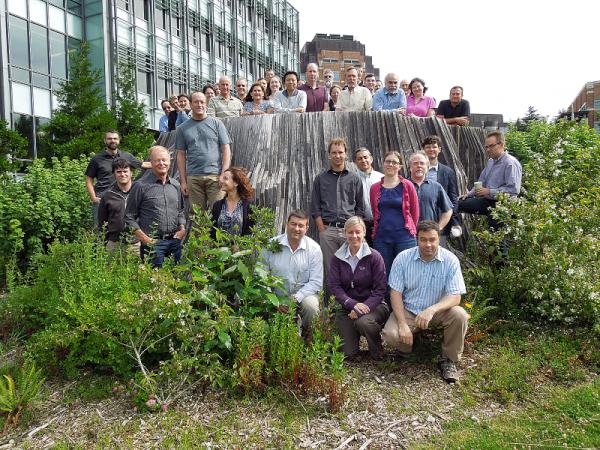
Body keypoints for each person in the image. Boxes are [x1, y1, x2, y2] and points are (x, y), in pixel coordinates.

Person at [383, 221, 468, 383]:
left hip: (438, 312)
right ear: (417, 239)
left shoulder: (450, 261)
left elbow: (455, 297)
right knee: (391, 335)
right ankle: (408, 349)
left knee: (460, 315)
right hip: (409, 310)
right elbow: (395, 294)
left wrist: (432, 310)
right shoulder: (403, 259)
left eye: (432, 239)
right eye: (423, 239)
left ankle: (448, 360)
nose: (428, 244)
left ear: (438, 239)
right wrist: (402, 324)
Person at [328, 216, 389, 360]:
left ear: (364, 233)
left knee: (364, 322)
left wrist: (362, 309)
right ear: (344, 234)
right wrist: (352, 304)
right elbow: (334, 286)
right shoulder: (337, 258)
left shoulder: (375, 257)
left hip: (374, 305)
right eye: (350, 232)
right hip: (347, 306)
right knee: (348, 353)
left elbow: (380, 289)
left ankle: (377, 351)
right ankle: (351, 338)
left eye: (357, 232)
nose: (354, 236)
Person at [310, 138, 365, 284]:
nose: (337, 155)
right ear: (329, 155)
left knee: (353, 269)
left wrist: (356, 228)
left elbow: (360, 207)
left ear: (346, 154)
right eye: (334, 152)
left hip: (350, 232)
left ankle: (351, 305)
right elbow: (315, 207)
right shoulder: (320, 179)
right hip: (328, 231)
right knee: (331, 271)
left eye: (340, 152)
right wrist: (322, 229)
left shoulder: (355, 179)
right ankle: (333, 306)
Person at [261, 210, 323, 336]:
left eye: (301, 225)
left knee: (312, 306)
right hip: (275, 297)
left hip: (303, 296)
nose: (296, 228)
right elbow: (261, 275)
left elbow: (316, 282)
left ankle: (308, 337)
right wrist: (274, 300)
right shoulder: (270, 245)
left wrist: (295, 299)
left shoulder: (314, 249)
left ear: (307, 228)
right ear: (287, 224)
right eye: (293, 224)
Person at [125, 146, 186, 268]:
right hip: (152, 243)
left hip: (174, 241)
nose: (161, 163)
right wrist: (145, 239)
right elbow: (129, 217)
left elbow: (180, 210)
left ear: (170, 161)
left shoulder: (175, 185)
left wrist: (182, 230)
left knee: (176, 281)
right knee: (154, 282)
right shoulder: (140, 186)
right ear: (151, 163)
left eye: (164, 160)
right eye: (157, 160)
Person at [176, 91, 232, 212]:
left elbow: (226, 149)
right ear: (190, 105)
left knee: (219, 213)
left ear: (206, 104)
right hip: (193, 177)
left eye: (202, 102)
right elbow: (180, 155)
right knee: (198, 218)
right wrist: (183, 181)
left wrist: (224, 173)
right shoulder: (182, 128)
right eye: (196, 102)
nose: (199, 105)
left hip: (215, 176)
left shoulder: (217, 123)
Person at [458, 131, 522, 229]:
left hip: (504, 205)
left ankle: (498, 242)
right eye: (486, 147)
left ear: (501, 145)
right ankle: (455, 230)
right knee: (458, 204)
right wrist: (468, 194)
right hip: (488, 201)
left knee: (496, 236)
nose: (488, 150)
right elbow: (482, 181)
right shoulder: (491, 161)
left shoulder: (510, 163)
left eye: (491, 146)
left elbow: (513, 191)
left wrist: (489, 191)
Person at [370, 151, 419, 277]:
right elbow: (375, 212)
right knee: (383, 273)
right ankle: (387, 298)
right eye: (388, 161)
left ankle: (406, 298)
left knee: (407, 273)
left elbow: (415, 213)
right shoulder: (375, 188)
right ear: (383, 163)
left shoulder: (408, 186)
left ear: (400, 166)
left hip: (405, 238)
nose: (390, 164)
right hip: (381, 239)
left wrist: (409, 230)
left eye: (394, 162)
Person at [85, 130, 143, 227]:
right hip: (101, 198)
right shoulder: (96, 159)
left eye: (115, 138)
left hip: (123, 198)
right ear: (105, 141)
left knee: (125, 227)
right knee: (99, 229)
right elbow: (89, 180)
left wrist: (162, 161)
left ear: (119, 140)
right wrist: (93, 197)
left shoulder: (126, 156)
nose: (113, 141)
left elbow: (143, 164)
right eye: (110, 138)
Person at [421, 135, 461, 238]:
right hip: (421, 217)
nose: (431, 149)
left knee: (438, 249)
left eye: (434, 147)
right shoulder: (416, 171)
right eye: (428, 147)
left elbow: (453, 198)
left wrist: (455, 221)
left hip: (441, 219)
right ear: (423, 149)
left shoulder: (448, 172)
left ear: (439, 149)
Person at [97, 158, 139, 255]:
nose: (122, 174)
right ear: (114, 174)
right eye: (119, 172)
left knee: (140, 270)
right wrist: (104, 242)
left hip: (136, 244)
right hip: (114, 244)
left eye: (125, 171)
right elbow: (102, 222)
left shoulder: (140, 192)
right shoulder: (108, 195)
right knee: (111, 270)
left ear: (131, 173)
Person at [409, 152, 453, 231]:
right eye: (415, 163)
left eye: (422, 163)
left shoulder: (436, 187)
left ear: (427, 167)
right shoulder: (402, 186)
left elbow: (448, 210)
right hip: (406, 236)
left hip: (428, 236)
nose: (419, 166)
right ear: (410, 167)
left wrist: (438, 228)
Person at [211, 167, 254, 236]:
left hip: (242, 246)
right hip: (219, 246)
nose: (221, 181)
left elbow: (250, 231)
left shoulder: (247, 206)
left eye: (226, 178)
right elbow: (213, 231)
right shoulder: (217, 205)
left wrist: (239, 245)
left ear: (236, 183)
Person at [353, 147, 383, 246]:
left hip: (381, 224)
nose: (363, 160)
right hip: (361, 225)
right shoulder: (351, 180)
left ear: (371, 158)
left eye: (365, 157)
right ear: (355, 162)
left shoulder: (381, 178)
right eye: (359, 158)